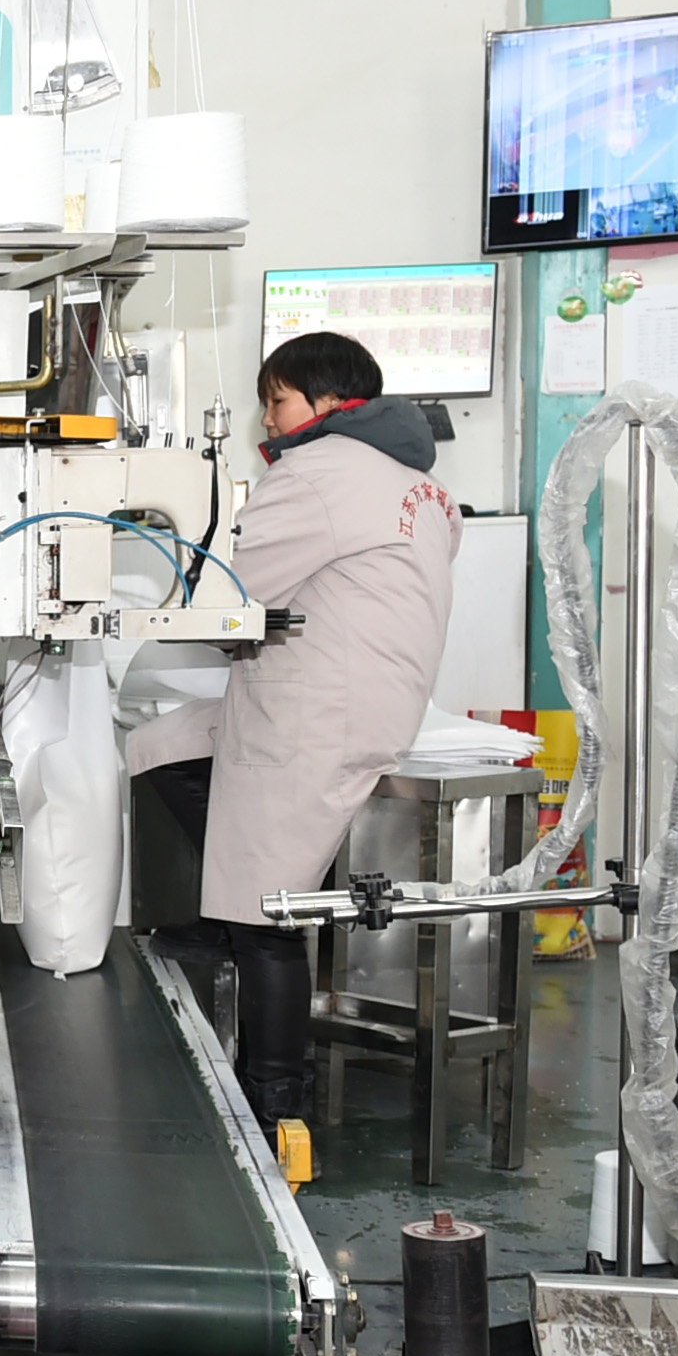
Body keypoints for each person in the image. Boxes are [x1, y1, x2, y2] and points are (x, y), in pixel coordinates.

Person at [128, 329, 461, 1124]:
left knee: (267, 913)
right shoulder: (419, 484)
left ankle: (275, 1103)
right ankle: (212, 916)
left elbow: (233, 592)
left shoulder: (317, 472)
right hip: (367, 698)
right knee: (157, 746)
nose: (268, 420)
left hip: (314, 712)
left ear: (328, 401)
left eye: (276, 401)